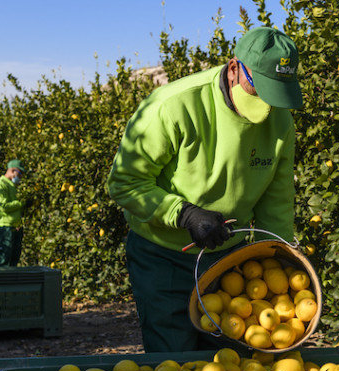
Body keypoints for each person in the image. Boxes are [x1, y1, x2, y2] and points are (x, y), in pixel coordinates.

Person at [107, 27, 303, 353]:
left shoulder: (280, 121)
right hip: (164, 257)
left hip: (230, 258)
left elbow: (277, 202)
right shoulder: (173, 106)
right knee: (174, 359)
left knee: (232, 361)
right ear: (233, 68)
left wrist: (280, 260)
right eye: (258, 86)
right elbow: (125, 182)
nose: (266, 103)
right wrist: (184, 214)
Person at [0, 159, 31, 267]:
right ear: (13, 171)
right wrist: (22, 203)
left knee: (14, 261)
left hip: (16, 228)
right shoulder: (1, 185)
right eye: (20, 173)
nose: (21, 176)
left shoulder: (12, 185)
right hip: (6, 228)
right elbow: (3, 206)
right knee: (3, 261)